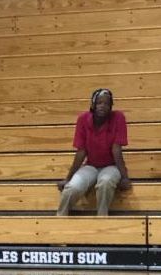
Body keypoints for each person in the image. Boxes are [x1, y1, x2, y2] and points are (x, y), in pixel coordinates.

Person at [57, 88, 132, 217]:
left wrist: (124, 177)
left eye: (107, 103)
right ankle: (59, 218)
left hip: (111, 166)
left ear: (111, 106)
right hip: (91, 166)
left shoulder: (118, 117)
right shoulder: (83, 119)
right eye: (99, 103)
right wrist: (68, 178)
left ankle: (102, 218)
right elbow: (81, 152)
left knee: (105, 182)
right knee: (72, 188)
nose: (103, 106)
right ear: (93, 104)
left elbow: (116, 150)